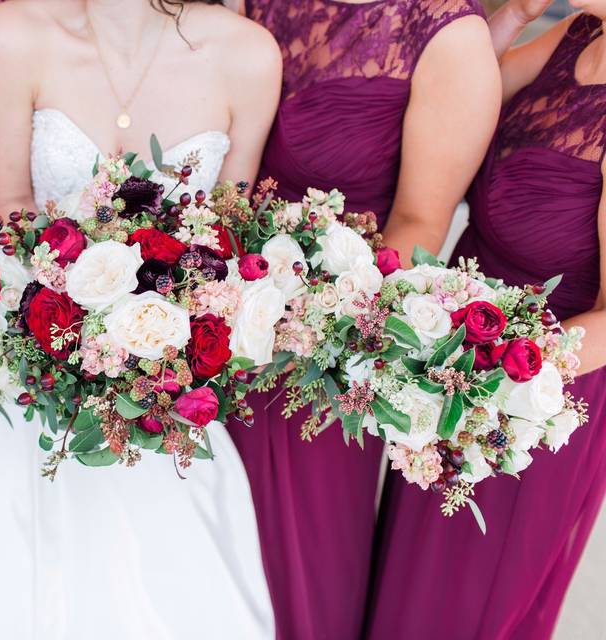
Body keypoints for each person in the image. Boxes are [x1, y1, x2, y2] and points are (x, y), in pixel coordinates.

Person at [0, 1, 282, 637]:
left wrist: (157, 343)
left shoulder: (248, 55)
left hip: (166, 396)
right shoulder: (14, 34)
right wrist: (77, 338)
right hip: (34, 381)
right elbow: (11, 213)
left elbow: (225, 242)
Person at [231, 0, 502, 637]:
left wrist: (302, 321)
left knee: (295, 574)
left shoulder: (450, 39)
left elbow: (417, 230)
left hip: (319, 359)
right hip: (209, 323)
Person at [366, 2, 606, 637]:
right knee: (402, 582)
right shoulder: (576, 35)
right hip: (457, 358)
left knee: (457, 607)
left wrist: (487, 385)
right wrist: (517, 13)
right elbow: (464, 87)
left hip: (536, 388)